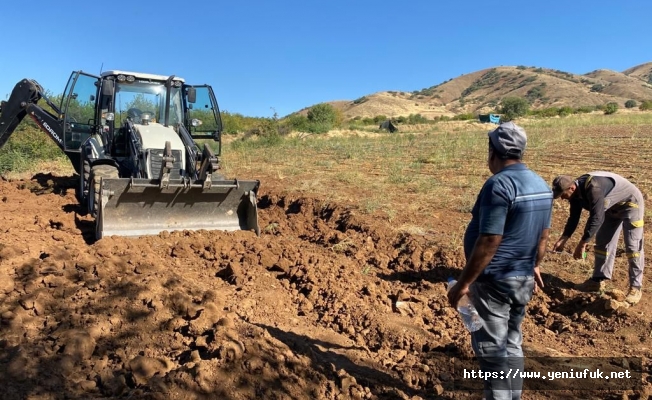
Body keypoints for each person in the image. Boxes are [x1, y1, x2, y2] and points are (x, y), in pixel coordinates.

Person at [447, 121, 553, 400]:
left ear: (493, 151)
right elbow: (543, 236)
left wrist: (463, 284)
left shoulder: (499, 184)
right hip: (522, 279)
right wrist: (535, 264)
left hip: (494, 280)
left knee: (491, 350)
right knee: (513, 342)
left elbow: (489, 240)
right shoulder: (540, 183)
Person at [551, 172, 645, 304]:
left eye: (562, 195)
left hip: (630, 203)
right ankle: (597, 281)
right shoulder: (575, 193)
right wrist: (564, 238)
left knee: (633, 246)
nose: (562, 199)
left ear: (571, 188)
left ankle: (636, 288)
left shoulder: (593, 188)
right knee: (603, 243)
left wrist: (583, 243)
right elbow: (574, 217)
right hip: (610, 207)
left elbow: (596, 218)